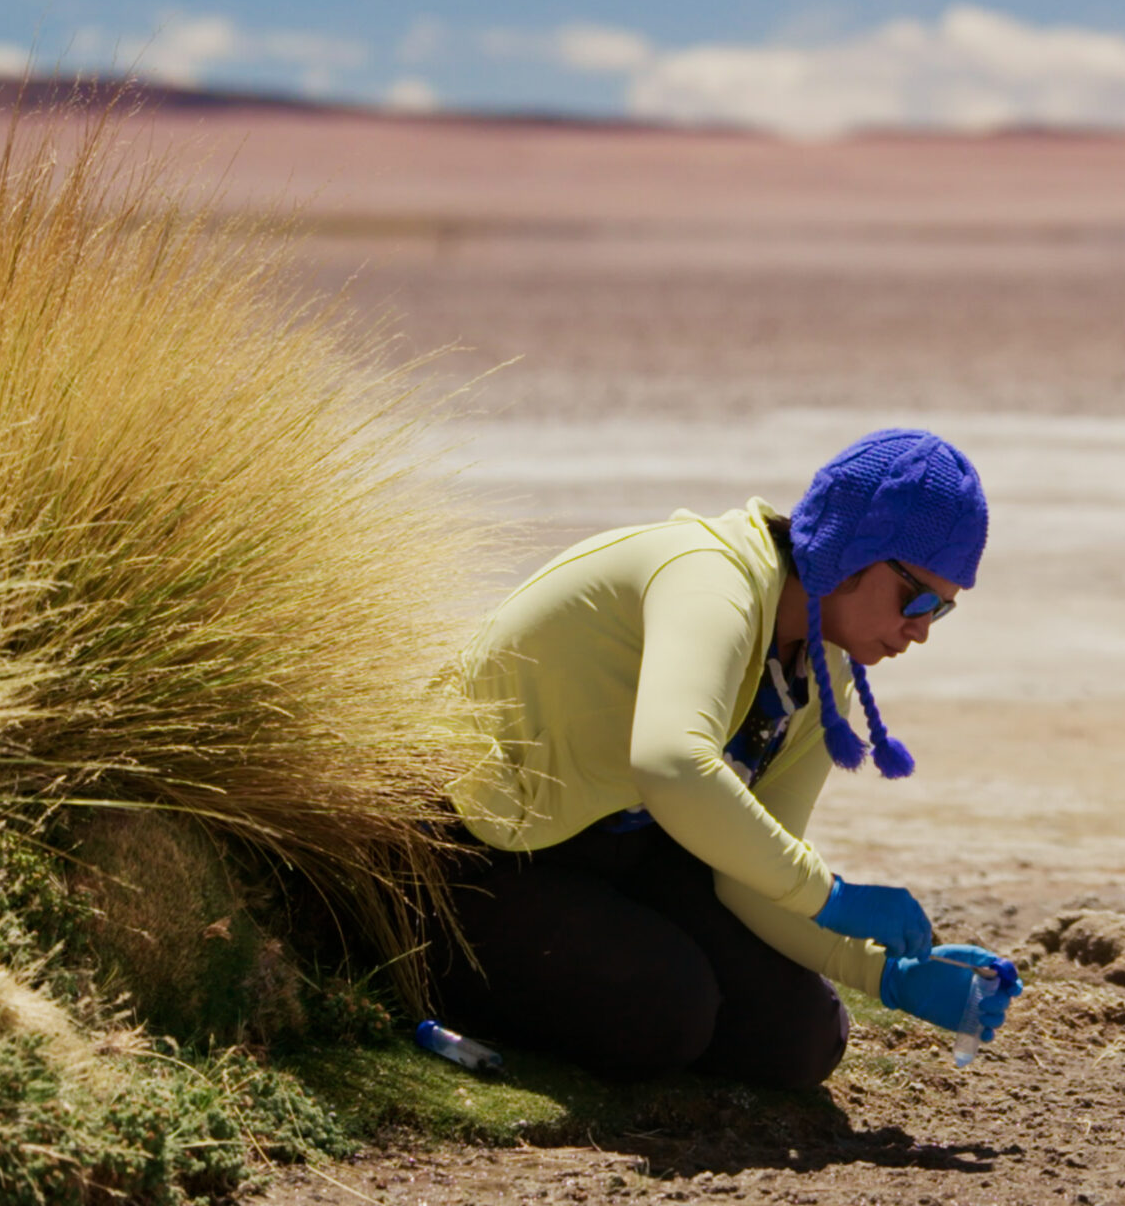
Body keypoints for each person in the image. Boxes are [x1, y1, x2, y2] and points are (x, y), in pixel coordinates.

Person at [429, 428, 1023, 1088]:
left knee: (801, 1040)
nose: (922, 630)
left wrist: (885, 973)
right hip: (469, 850)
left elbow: (750, 876)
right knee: (664, 1011)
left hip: (614, 845)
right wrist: (831, 896)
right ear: (854, 548)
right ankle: (401, 964)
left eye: (942, 611)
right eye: (918, 599)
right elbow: (672, 765)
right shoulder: (710, 580)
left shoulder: (824, 668)